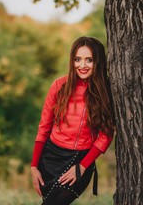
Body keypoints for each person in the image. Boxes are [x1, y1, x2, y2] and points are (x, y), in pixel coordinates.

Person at [31, 36, 115, 205]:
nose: (82, 65)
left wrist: (82, 166)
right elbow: (44, 127)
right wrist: (34, 166)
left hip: (80, 160)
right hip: (50, 158)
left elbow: (106, 134)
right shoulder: (59, 86)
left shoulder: (106, 92)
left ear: (98, 61)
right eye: (77, 59)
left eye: (89, 60)